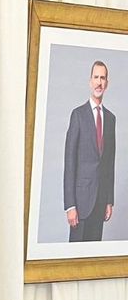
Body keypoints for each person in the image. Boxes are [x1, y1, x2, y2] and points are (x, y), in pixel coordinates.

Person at [63, 60, 116, 242]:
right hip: (80, 203)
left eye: (103, 78)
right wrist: (70, 205)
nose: (99, 82)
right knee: (75, 261)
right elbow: (69, 163)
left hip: (100, 202)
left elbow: (109, 163)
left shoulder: (110, 119)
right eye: (96, 77)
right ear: (90, 81)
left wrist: (109, 200)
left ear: (106, 83)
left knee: (93, 261)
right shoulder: (77, 115)